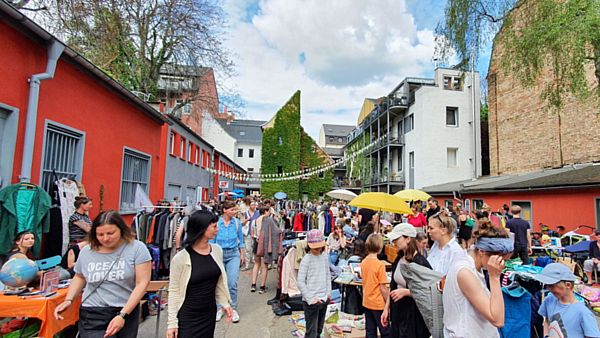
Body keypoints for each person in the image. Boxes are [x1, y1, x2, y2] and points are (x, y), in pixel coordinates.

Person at [54, 211, 151, 338]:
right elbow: (80, 276)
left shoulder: (137, 248)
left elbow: (142, 283)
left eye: (110, 233)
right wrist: (69, 299)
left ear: (121, 230)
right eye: (100, 234)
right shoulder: (87, 251)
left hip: (126, 310)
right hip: (93, 312)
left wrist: (123, 315)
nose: (105, 238)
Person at [166, 210, 233, 338]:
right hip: (188, 315)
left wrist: (225, 303)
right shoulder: (180, 258)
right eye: (214, 226)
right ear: (202, 228)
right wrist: (172, 323)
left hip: (208, 313)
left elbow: (217, 282)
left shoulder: (217, 250)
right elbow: (174, 290)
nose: (217, 229)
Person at [443, 219, 512, 338]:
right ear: (481, 251)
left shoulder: (474, 265)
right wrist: (494, 277)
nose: (502, 265)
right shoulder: (465, 271)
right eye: (501, 260)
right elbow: (498, 320)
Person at [381, 224, 431, 338]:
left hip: (412, 318)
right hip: (398, 314)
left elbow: (429, 290)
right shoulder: (399, 258)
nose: (393, 241)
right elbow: (393, 286)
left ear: (408, 238)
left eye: (397, 239)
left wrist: (407, 292)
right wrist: (386, 308)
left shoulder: (420, 262)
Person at [535, 263, 600, 338]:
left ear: (568, 285)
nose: (548, 288)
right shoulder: (549, 300)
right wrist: (546, 335)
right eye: (547, 285)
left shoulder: (583, 312)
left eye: (552, 285)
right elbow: (546, 321)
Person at [209, 200, 244, 323]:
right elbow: (212, 239)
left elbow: (241, 240)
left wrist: (242, 254)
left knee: (232, 283)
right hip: (218, 253)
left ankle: (232, 308)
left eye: (235, 209)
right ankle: (220, 307)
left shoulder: (237, 223)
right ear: (224, 210)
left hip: (233, 253)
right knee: (219, 283)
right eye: (232, 209)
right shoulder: (216, 223)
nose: (235, 212)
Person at [297, 230, 331, 338]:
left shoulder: (324, 257)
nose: (317, 249)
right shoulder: (306, 259)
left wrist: (328, 293)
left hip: (324, 299)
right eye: (315, 247)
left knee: (319, 329)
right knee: (311, 331)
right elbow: (300, 282)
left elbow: (328, 275)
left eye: (319, 247)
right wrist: (311, 299)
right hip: (311, 302)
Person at [360, 234, 390, 338]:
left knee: (370, 331)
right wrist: (388, 302)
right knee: (385, 331)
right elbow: (383, 287)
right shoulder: (380, 265)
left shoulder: (363, 262)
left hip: (367, 301)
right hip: (378, 303)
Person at [255, 209, 282, 294]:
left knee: (256, 264)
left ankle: (253, 284)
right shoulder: (268, 220)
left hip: (257, 243)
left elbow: (253, 232)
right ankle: (262, 286)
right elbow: (277, 231)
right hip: (265, 244)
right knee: (264, 266)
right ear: (266, 211)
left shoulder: (256, 220)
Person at [241, 201, 260, 271]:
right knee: (247, 249)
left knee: (254, 249)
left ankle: (254, 262)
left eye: (254, 205)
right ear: (249, 206)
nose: (254, 206)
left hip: (256, 233)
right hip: (247, 232)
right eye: (252, 205)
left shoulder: (258, 213)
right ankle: (247, 264)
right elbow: (242, 223)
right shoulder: (245, 213)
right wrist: (247, 220)